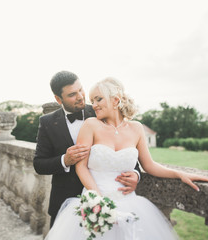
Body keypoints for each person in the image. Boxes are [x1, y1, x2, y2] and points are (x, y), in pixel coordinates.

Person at [45, 77, 208, 239]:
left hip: (129, 202)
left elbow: (148, 165)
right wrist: (97, 199)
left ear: (115, 100)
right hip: (95, 201)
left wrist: (179, 174)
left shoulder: (137, 128)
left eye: (98, 99)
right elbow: (80, 167)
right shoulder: (91, 125)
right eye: (93, 100)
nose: (94, 105)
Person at [33, 71, 141, 227]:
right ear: (58, 99)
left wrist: (136, 174)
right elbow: (39, 164)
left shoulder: (101, 110)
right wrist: (65, 160)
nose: (80, 96)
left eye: (80, 89)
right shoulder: (47, 122)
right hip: (65, 202)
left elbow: (124, 147)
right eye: (72, 94)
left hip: (107, 198)